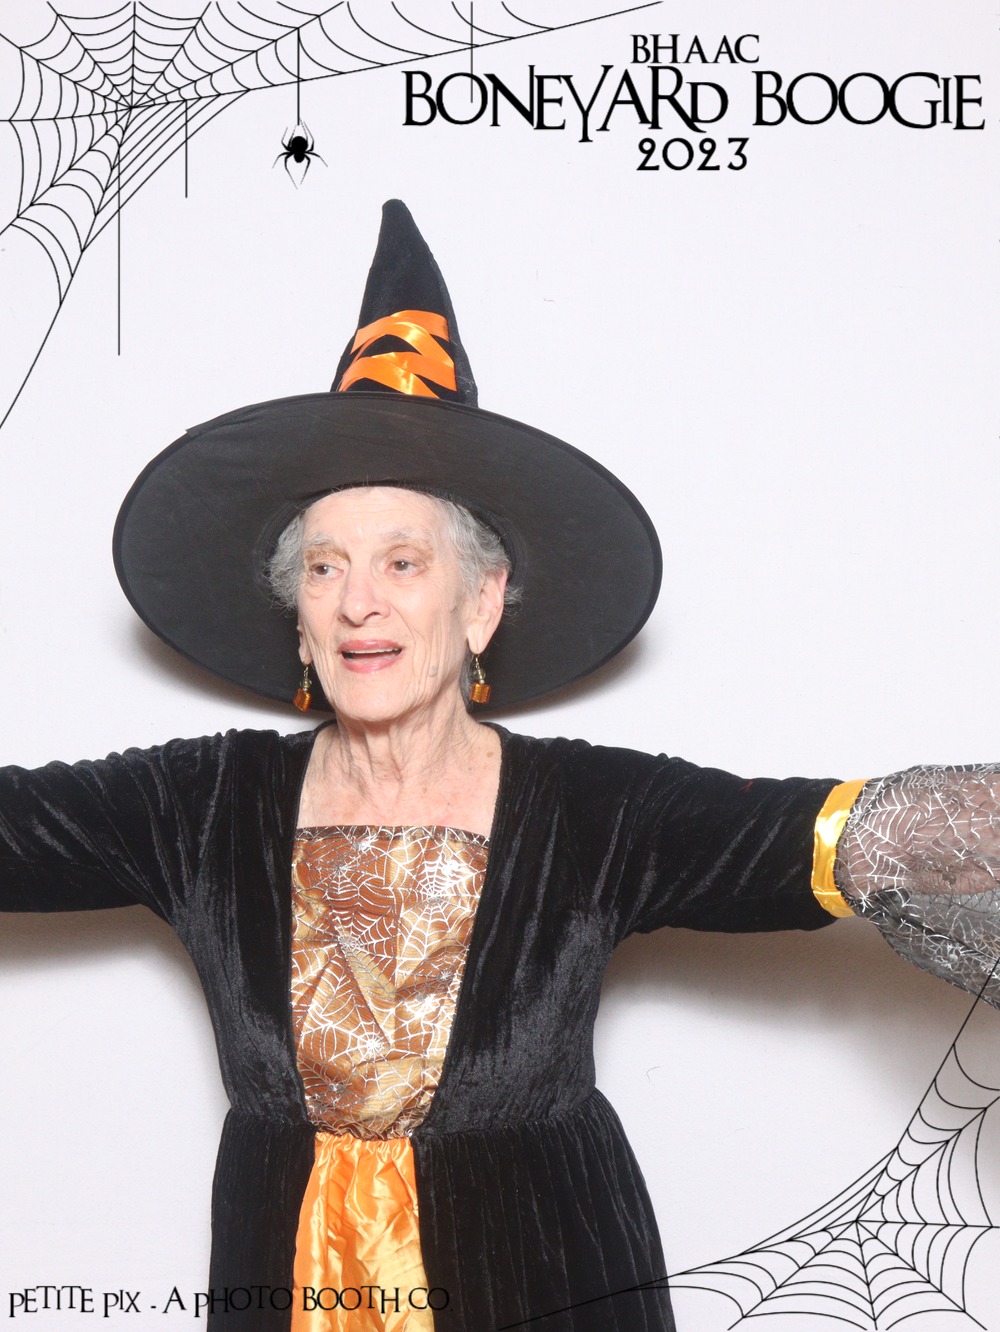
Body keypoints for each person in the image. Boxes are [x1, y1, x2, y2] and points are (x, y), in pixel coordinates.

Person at [3, 201, 999, 1332]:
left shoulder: (592, 809)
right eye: (324, 567)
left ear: (480, 604)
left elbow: (848, 836)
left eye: (401, 562)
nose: (358, 602)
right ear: (298, 621)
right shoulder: (200, 805)